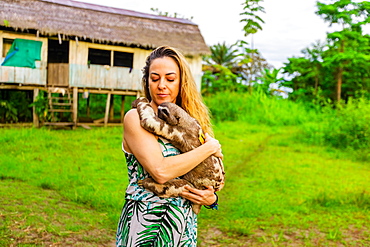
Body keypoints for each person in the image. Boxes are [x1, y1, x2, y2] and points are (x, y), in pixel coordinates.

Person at [116, 46, 223, 247]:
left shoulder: (189, 121)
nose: (161, 85)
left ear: (181, 81)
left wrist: (211, 198)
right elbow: (160, 171)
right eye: (155, 79)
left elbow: (209, 171)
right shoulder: (135, 118)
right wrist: (209, 147)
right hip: (146, 223)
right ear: (147, 82)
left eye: (170, 79)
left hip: (183, 224)